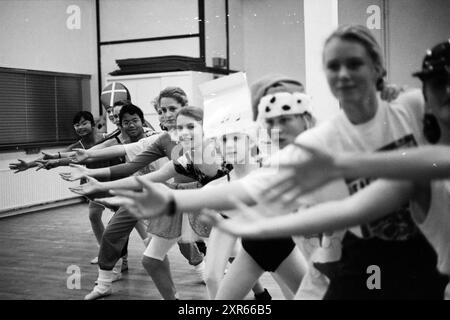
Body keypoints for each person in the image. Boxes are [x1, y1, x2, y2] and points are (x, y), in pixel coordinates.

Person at [100, 25, 445, 300]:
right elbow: (256, 188)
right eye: (334, 66)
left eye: (354, 64)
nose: (343, 74)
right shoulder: (315, 145)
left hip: (417, 256)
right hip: (341, 255)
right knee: (217, 279)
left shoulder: (410, 107)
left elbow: (430, 161)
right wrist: (172, 199)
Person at [204, 39, 450, 299]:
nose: (277, 127)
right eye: (271, 120)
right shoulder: (285, 163)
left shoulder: (342, 146)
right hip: (319, 255)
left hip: (349, 257)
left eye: (285, 117)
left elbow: (352, 207)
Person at [60, 88, 206, 300]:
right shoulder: (154, 140)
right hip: (148, 193)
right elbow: (120, 161)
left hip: (179, 196)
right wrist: (78, 166)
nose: (166, 114)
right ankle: (104, 283)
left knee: (203, 245)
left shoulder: (160, 137)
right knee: (127, 240)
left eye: (172, 109)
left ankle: (206, 270)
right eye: (162, 110)